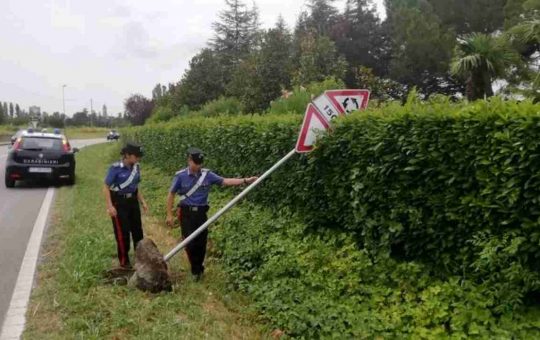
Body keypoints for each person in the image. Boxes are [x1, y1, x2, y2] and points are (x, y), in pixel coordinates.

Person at [166, 147, 257, 280]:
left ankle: (198, 269)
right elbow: (171, 194)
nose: (198, 166)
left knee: (201, 243)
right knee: (189, 242)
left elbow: (225, 181)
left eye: (200, 163)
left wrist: (245, 181)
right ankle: (196, 270)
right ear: (189, 160)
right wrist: (169, 214)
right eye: (195, 163)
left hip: (202, 214)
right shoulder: (180, 176)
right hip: (186, 214)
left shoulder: (207, 175)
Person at [103, 142, 149, 269]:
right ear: (127, 155)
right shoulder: (115, 168)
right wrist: (110, 206)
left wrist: (142, 201)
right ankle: (124, 262)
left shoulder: (136, 167)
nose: (139, 158)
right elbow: (106, 187)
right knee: (123, 233)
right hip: (119, 203)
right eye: (136, 156)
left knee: (138, 231)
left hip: (133, 202)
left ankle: (140, 258)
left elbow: (135, 187)